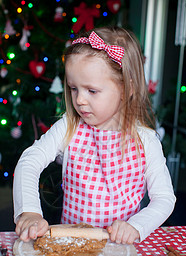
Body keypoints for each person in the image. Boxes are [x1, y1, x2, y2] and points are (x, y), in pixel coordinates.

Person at [13, 26, 176, 244]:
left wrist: (136, 226)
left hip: (119, 250)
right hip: (70, 246)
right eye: (73, 88)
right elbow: (29, 162)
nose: (79, 100)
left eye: (91, 91)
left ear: (127, 89)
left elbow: (164, 198)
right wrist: (30, 211)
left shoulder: (145, 140)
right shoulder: (68, 127)